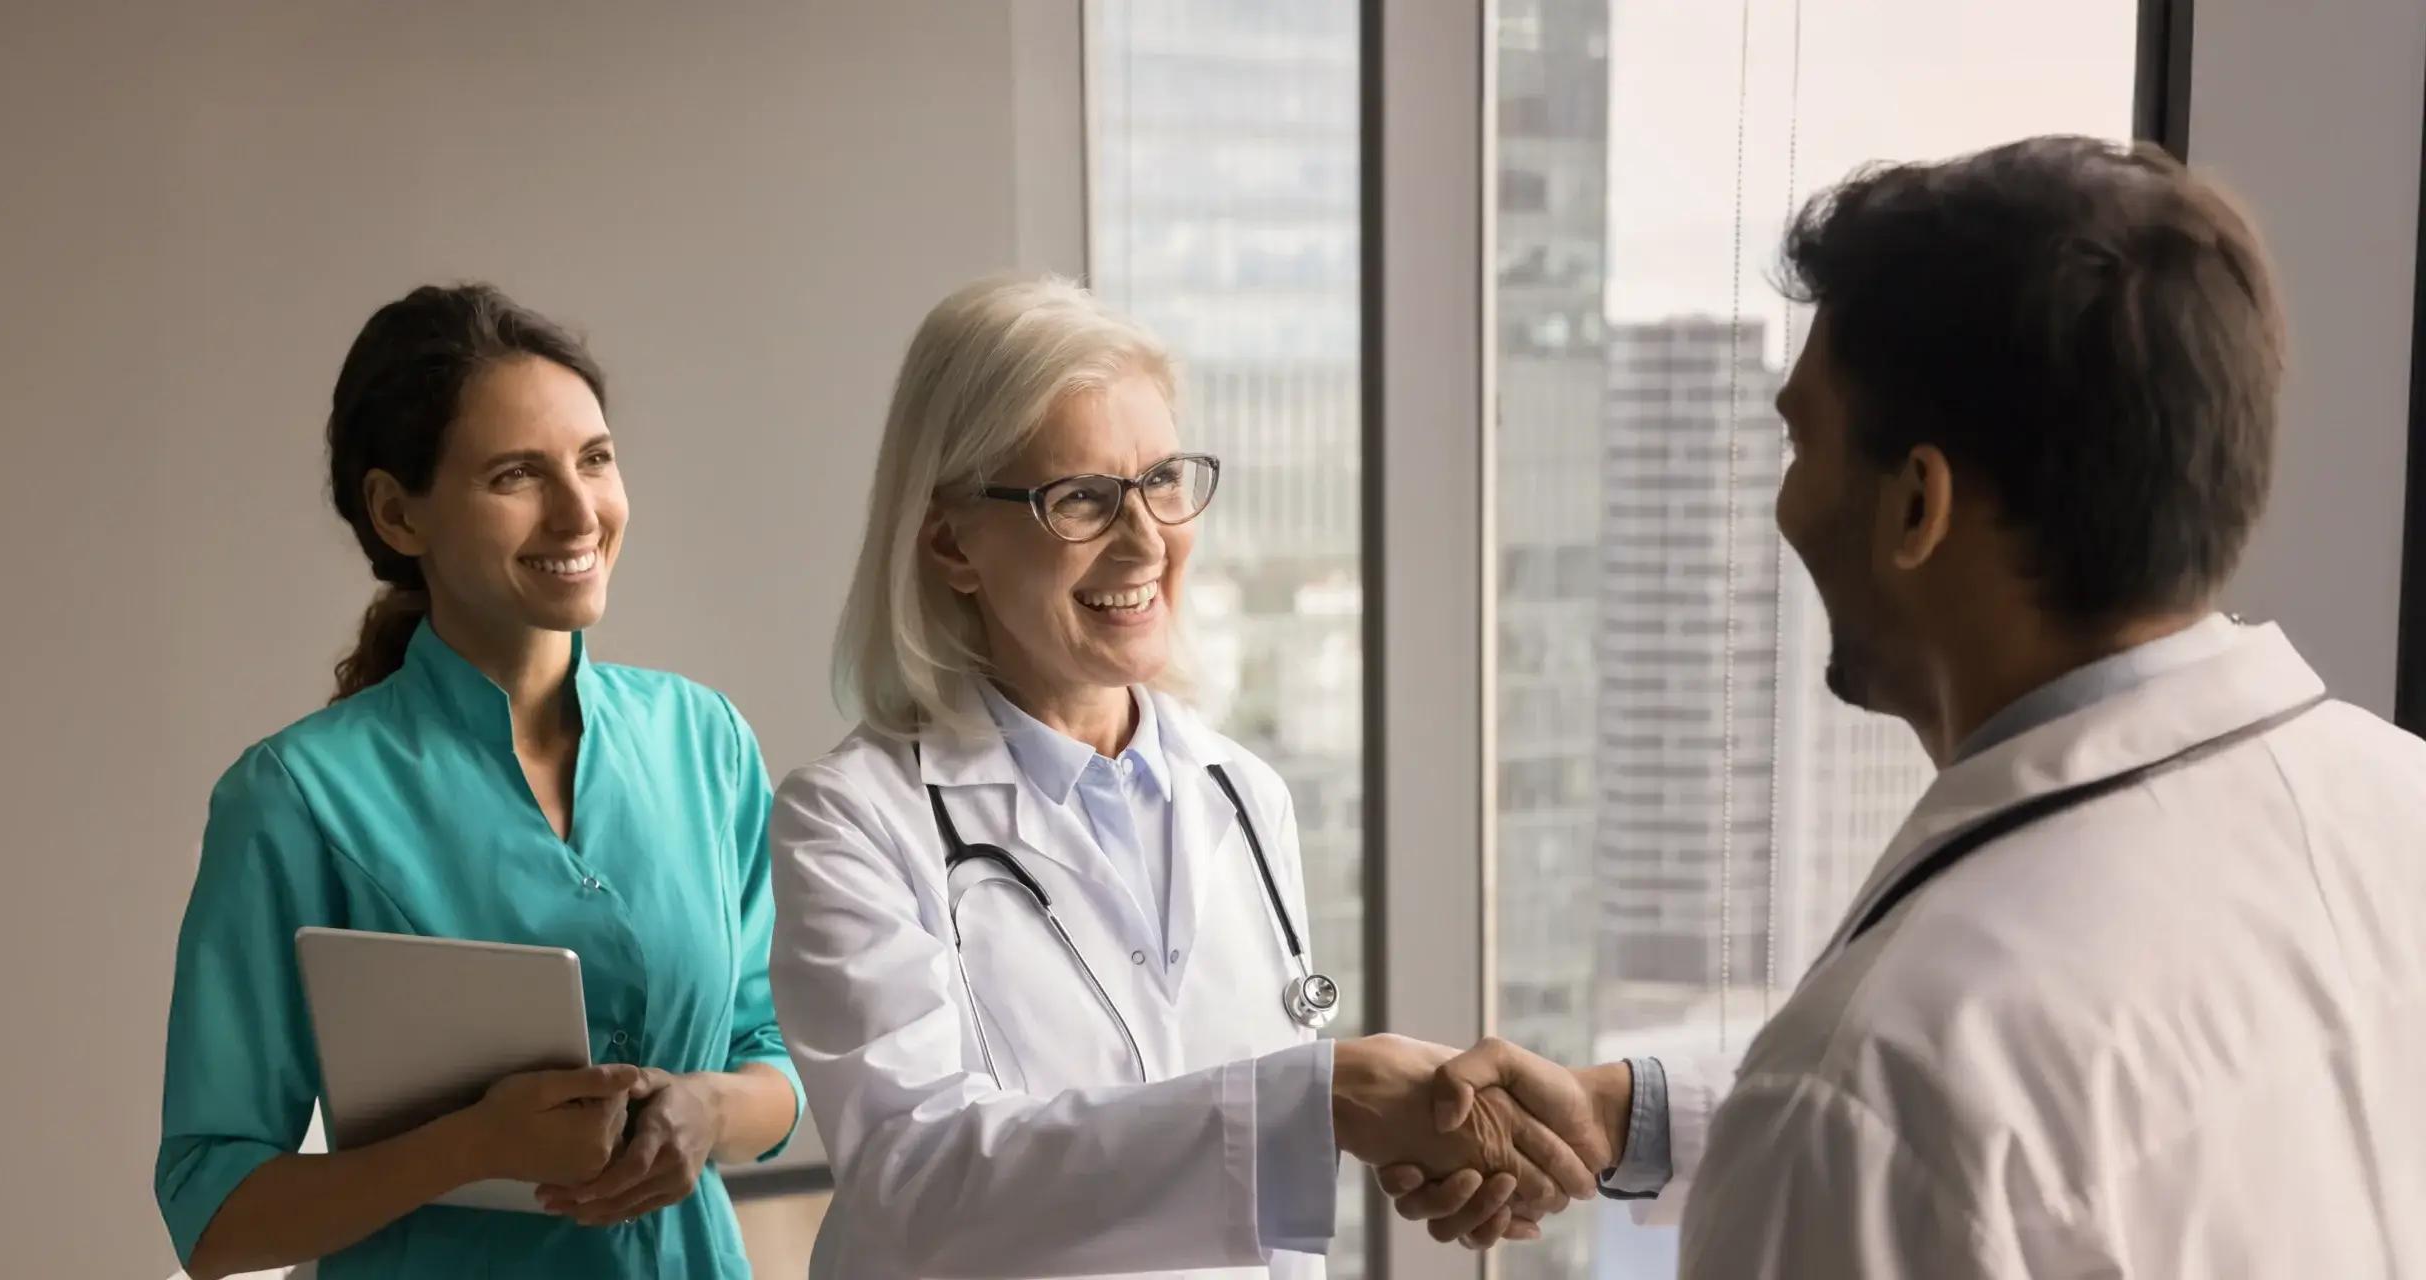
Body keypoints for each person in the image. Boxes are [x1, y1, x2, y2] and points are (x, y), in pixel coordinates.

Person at [1383, 135, 2426, 1275]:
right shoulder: (2396, 807)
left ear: (1918, 503)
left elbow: (1918, 1134)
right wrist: (1636, 1120)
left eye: (1799, 440)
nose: (1782, 507)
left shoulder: (1875, 1083)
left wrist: (1801, 1116)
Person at [765, 275, 1608, 1279]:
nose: (1146, 539)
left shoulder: (1244, 794)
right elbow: (917, 1178)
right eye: (1079, 496)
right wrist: (1320, 1098)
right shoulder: (854, 821)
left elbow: (1254, 1201)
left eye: (1163, 480)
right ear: (952, 541)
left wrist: (1413, 1132)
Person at [154, 284, 804, 1279]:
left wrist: (706, 1111)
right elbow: (214, 1212)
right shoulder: (295, 797)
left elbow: (779, 1050)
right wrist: (470, 1146)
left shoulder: (703, 740)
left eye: (595, 459)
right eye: (517, 474)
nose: (579, 510)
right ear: (395, 511)